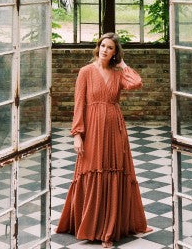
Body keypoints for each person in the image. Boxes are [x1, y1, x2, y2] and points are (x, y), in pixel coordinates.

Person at [56, 33, 149, 248]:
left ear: (115, 53)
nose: (104, 50)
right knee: (92, 170)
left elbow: (136, 83)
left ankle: (109, 230)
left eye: (110, 48)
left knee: (114, 172)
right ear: (97, 47)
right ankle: (91, 227)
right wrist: (77, 134)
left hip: (115, 129)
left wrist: (123, 64)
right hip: (93, 130)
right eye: (102, 46)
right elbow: (79, 104)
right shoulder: (85, 72)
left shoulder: (117, 74)